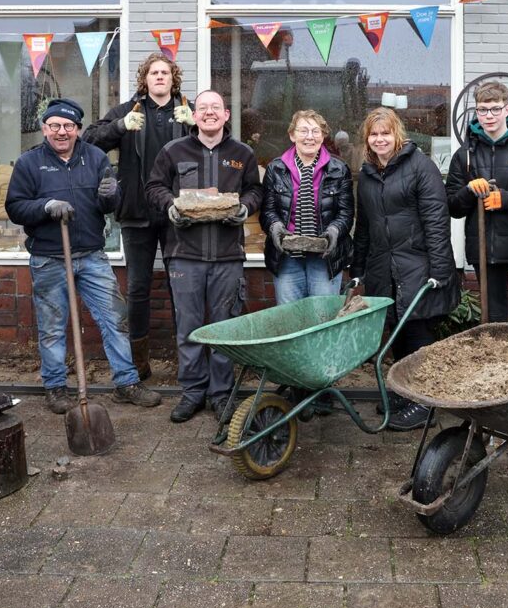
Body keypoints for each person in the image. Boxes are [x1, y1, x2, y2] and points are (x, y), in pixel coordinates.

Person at [5, 98, 162, 413]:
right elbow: (15, 207)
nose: (61, 132)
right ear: (45, 128)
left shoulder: (96, 157)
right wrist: (45, 207)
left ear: (77, 129)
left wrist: (111, 196)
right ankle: (56, 387)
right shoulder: (29, 163)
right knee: (52, 325)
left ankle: (127, 382)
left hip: (91, 256)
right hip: (49, 258)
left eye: (68, 126)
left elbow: (109, 206)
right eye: (54, 126)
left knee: (115, 318)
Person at [145, 90, 262, 423]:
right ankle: (193, 391)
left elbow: (256, 190)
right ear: (194, 116)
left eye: (216, 108)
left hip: (227, 256)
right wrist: (171, 207)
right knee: (189, 327)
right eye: (203, 108)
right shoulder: (173, 151)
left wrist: (244, 208)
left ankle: (222, 394)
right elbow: (153, 187)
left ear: (226, 115)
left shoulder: (243, 153)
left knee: (224, 329)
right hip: (185, 255)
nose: (209, 113)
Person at [83, 53, 194, 381]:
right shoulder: (126, 111)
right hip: (136, 211)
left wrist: (194, 123)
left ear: (173, 79)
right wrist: (119, 127)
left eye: (165, 73)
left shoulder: (186, 109)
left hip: (179, 212)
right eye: (153, 73)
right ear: (144, 80)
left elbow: (222, 135)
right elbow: (90, 141)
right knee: (138, 287)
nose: (159, 77)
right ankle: (138, 363)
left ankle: (185, 362)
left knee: (181, 288)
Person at [351, 107, 460, 431]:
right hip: (384, 267)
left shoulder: (420, 167)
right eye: (374, 134)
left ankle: (424, 403)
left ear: (396, 134)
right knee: (396, 332)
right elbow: (365, 228)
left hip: (418, 264)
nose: (380, 139)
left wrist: (440, 271)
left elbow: (436, 222)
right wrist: (358, 268)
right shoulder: (368, 174)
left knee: (416, 334)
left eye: (385, 133)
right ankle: (403, 392)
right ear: (367, 139)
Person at [446, 81, 508, 326]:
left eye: (494, 108)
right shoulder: (465, 155)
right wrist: (470, 191)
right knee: (494, 320)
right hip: (484, 249)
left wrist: (507, 199)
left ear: (507, 109)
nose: (488, 115)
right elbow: (452, 206)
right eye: (482, 110)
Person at [261, 110, 354, 304]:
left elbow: (346, 213)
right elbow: (267, 211)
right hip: (287, 258)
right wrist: (275, 226)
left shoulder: (339, 169)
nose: (309, 137)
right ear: (292, 135)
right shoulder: (275, 168)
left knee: (321, 318)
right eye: (303, 131)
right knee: (289, 318)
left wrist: (334, 231)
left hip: (324, 257)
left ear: (323, 136)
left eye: (315, 131)